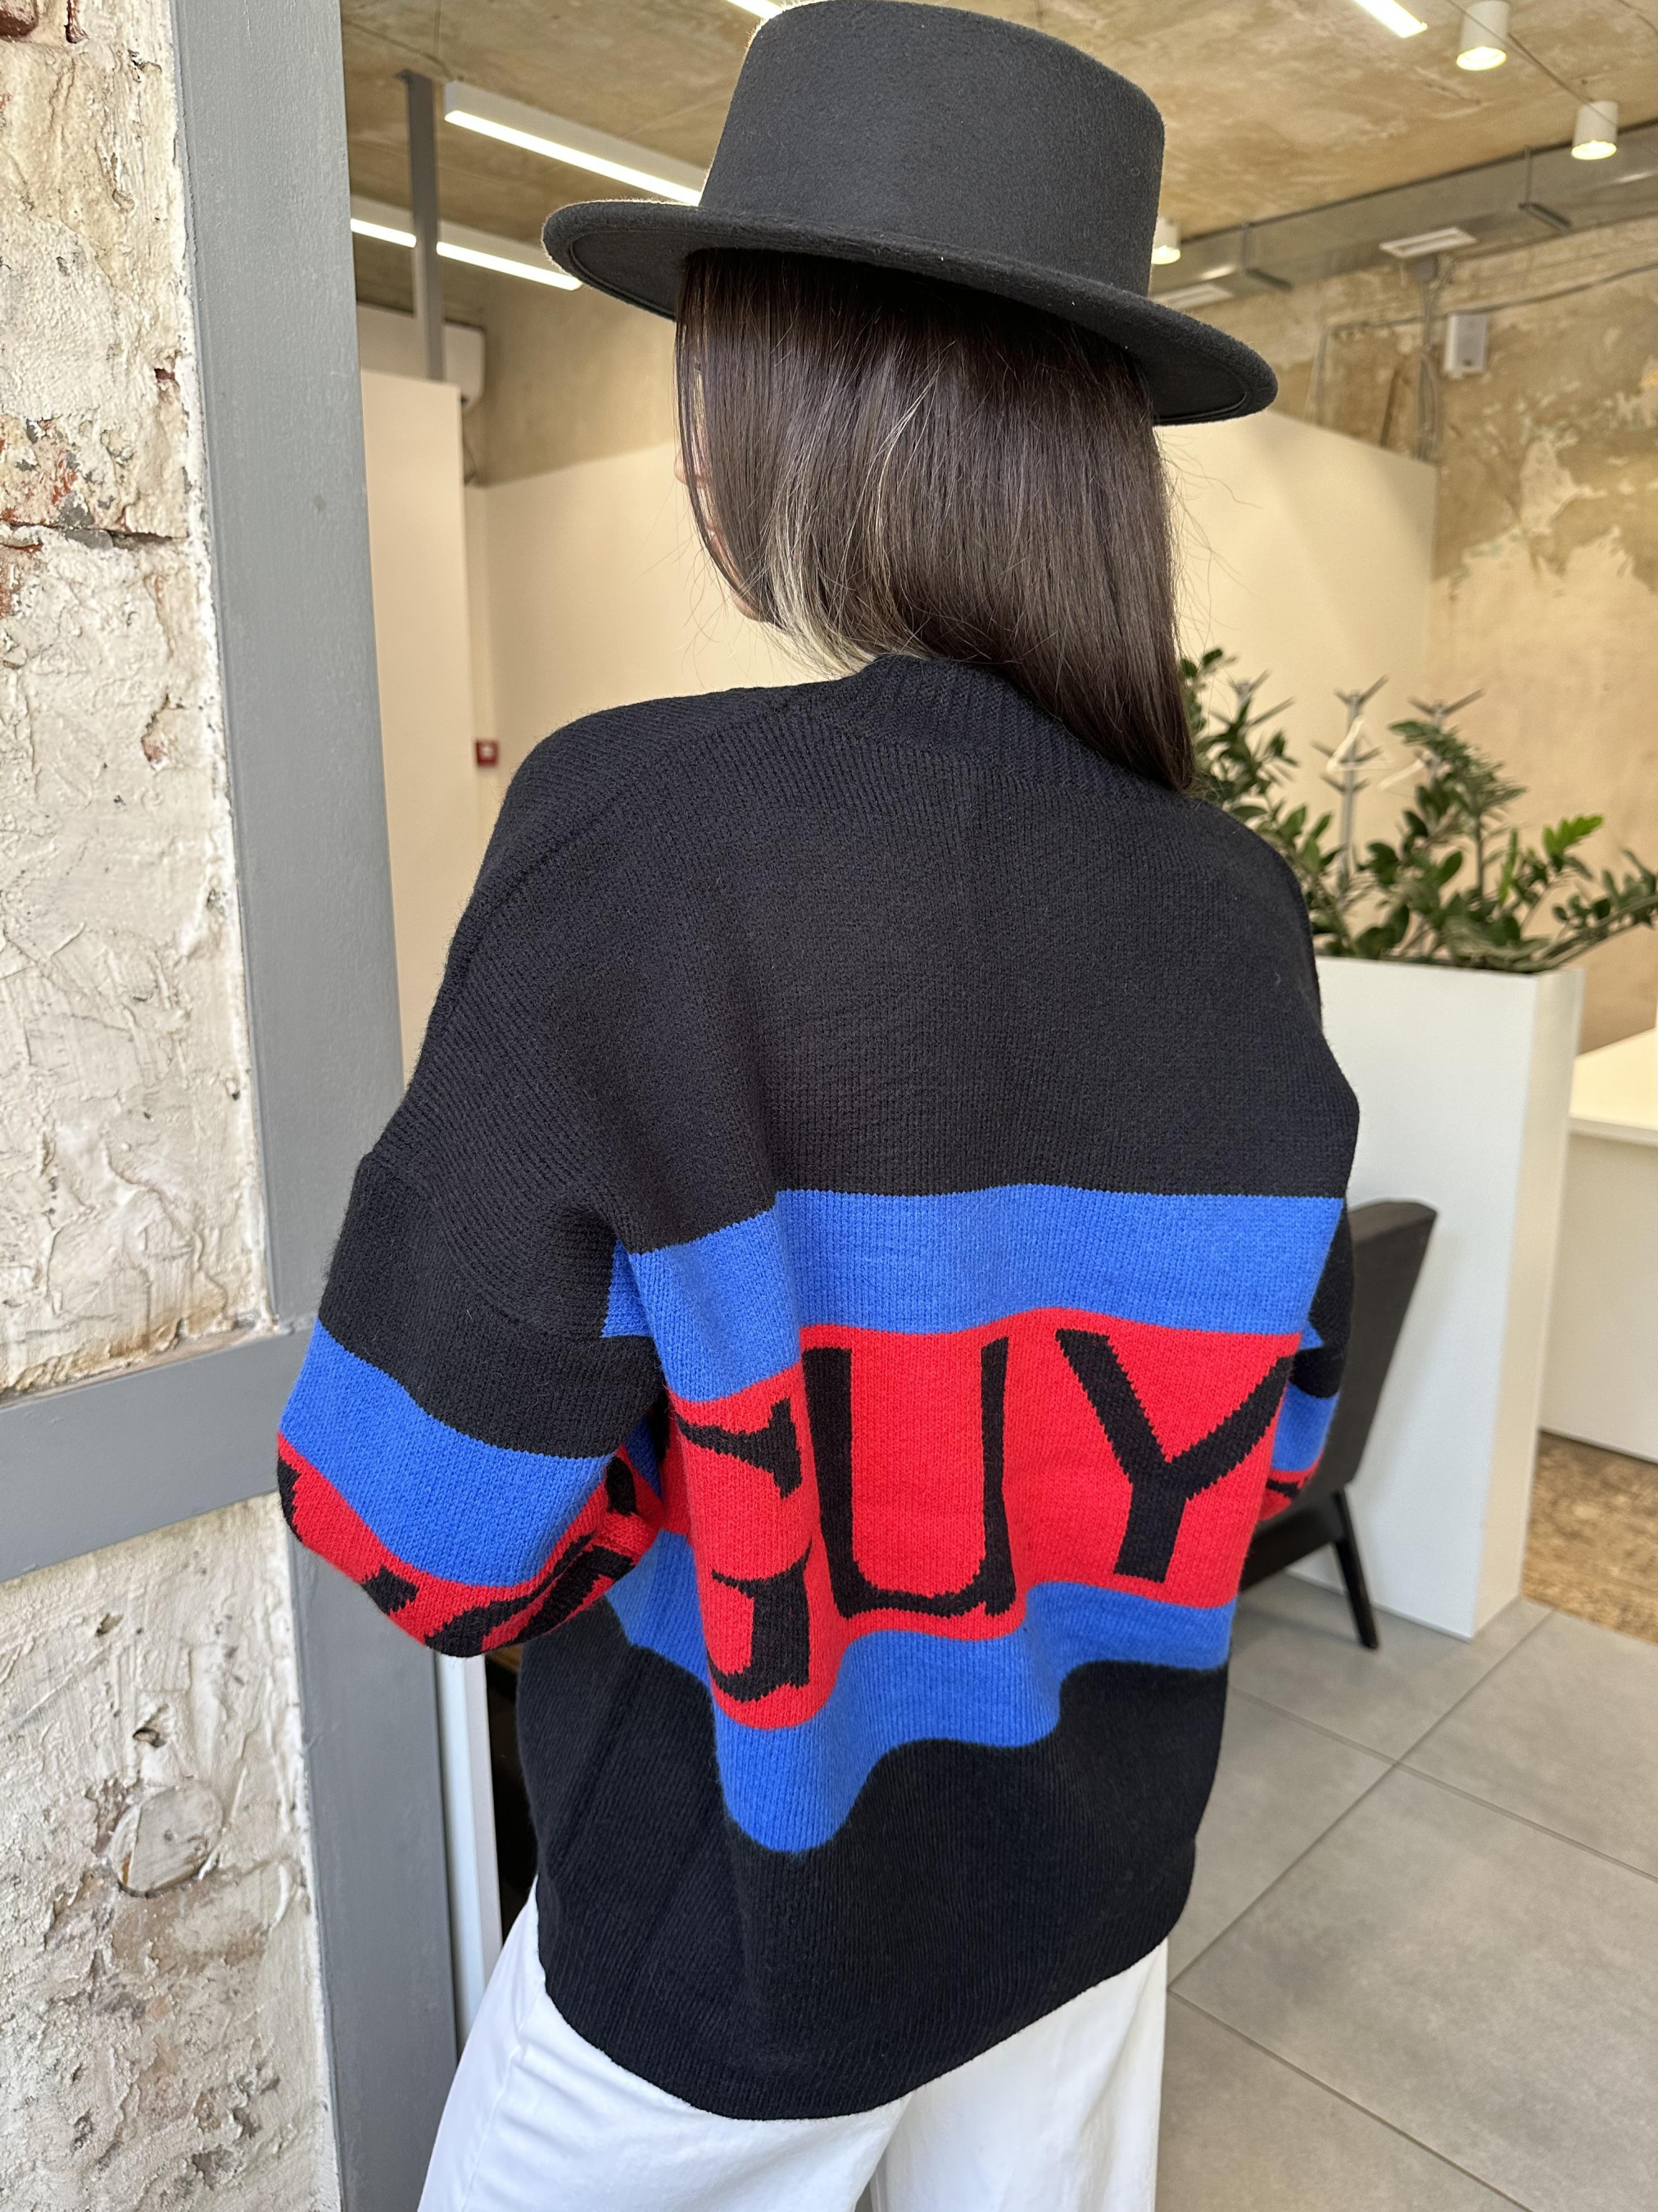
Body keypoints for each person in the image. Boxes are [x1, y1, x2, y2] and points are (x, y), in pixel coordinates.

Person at [277, 4, 1358, 2205]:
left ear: (754, 418)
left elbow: (423, 1520)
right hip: (1088, 1922)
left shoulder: (641, 842)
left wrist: (749, 1492)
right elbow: (1275, 1448)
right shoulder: (1239, 908)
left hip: (731, 1952)